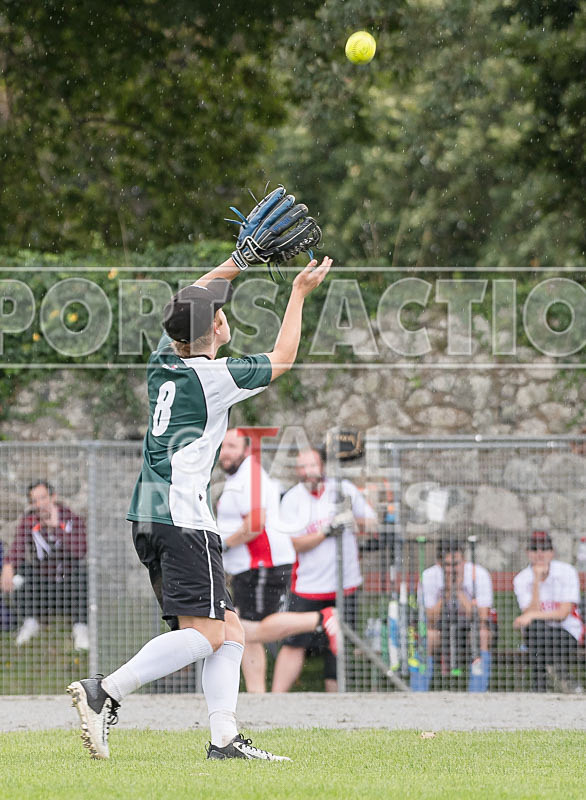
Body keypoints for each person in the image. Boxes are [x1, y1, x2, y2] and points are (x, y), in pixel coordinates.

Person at [67, 248, 333, 761]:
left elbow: (185, 303)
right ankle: (106, 691)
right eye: (218, 311)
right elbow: (283, 359)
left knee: (228, 631)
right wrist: (298, 293)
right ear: (215, 327)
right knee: (209, 635)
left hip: (149, 511)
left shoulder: (163, 359)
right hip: (183, 516)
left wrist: (241, 258)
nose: (222, 313)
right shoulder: (212, 378)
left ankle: (224, 739)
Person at [271, 447, 376, 693]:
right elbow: (296, 543)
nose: (308, 472)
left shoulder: (344, 489)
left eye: (312, 466)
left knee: (338, 647)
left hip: (344, 584)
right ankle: (275, 699)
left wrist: (352, 519)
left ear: (323, 467)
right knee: (294, 642)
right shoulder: (293, 499)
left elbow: (371, 522)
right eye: (303, 467)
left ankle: (337, 707)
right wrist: (327, 531)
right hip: (309, 586)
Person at [216, 428, 295, 693]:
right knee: (245, 631)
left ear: (247, 450)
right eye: (223, 446)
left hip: (263, 564)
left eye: (232, 446)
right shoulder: (240, 476)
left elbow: (255, 524)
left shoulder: (250, 475)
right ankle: (256, 693)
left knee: (247, 629)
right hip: (248, 567)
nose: (224, 452)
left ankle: (317, 620)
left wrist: (222, 545)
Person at [0, 481, 88, 650]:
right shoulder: (30, 521)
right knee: (21, 572)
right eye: (35, 501)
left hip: (68, 583)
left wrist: (57, 528)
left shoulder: (71, 518)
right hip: (44, 584)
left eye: (43, 498)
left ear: (53, 497)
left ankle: (80, 627)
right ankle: (30, 622)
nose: (40, 504)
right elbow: (18, 546)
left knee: (83, 572)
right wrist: (8, 565)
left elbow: (80, 550)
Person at [513, 530, 584, 693]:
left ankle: (541, 685)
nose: (539, 553)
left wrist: (530, 615)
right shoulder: (522, 578)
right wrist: (537, 581)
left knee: (536, 631)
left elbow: (562, 614)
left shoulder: (567, 572)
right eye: (534, 548)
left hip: (567, 633)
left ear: (552, 552)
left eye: (544, 548)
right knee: (535, 628)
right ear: (527, 553)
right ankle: (560, 675)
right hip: (538, 634)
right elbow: (530, 614)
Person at [420, 539, 494, 691]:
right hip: (442, 628)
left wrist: (459, 591)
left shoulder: (479, 574)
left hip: (470, 628)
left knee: (482, 634)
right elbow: (429, 619)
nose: (452, 570)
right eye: (447, 565)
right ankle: (419, 690)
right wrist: (447, 592)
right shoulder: (428, 576)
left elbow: (482, 618)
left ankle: (478, 690)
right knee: (427, 636)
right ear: (439, 563)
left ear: (464, 561)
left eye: (456, 564)